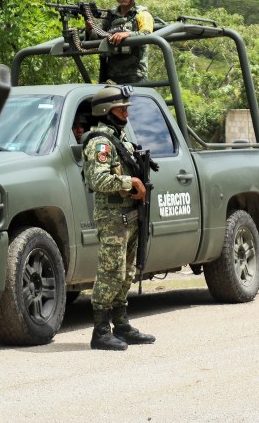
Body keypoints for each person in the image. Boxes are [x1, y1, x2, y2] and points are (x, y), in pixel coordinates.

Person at [82, 85, 156, 350]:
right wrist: (131, 181)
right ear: (105, 111)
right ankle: (101, 332)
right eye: (120, 109)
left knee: (125, 273)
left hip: (128, 215)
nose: (126, 113)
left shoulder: (120, 139)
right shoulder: (100, 142)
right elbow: (97, 178)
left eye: (126, 108)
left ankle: (121, 325)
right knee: (110, 272)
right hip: (112, 217)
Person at [89, 0, 155, 84]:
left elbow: (147, 35)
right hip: (111, 75)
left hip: (135, 74)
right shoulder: (111, 16)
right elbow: (96, 37)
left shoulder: (142, 14)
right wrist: (89, 28)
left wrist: (127, 35)